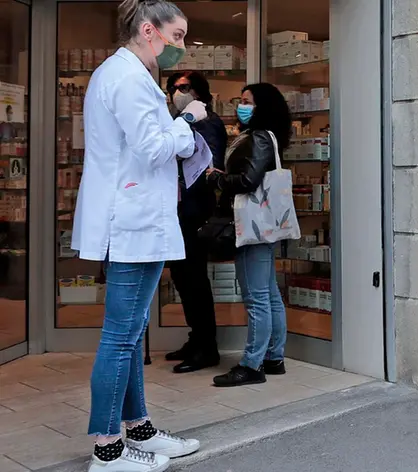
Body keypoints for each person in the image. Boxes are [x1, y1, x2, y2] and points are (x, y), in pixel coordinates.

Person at [71, 0, 206, 470]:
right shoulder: (127, 78)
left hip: (137, 219)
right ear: (149, 30)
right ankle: (108, 450)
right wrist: (187, 124)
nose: (181, 47)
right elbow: (152, 149)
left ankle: (139, 430)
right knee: (120, 337)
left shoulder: (128, 74)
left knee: (130, 333)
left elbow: (147, 145)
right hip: (131, 221)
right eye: (177, 36)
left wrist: (176, 130)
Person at [206, 83, 292, 388]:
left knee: (256, 298)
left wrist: (218, 179)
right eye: (240, 101)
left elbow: (246, 180)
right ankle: (274, 357)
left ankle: (252, 365)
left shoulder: (258, 137)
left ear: (262, 107)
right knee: (269, 294)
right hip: (264, 226)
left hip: (252, 227)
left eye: (247, 102)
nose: (241, 106)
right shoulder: (266, 136)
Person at [163, 71, 227, 374]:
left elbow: (209, 168)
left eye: (184, 87)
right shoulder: (175, 121)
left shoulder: (207, 123)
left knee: (194, 280)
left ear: (199, 91)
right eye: (173, 88)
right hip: (177, 211)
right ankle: (195, 338)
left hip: (194, 211)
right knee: (182, 278)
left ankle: (207, 346)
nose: (178, 92)